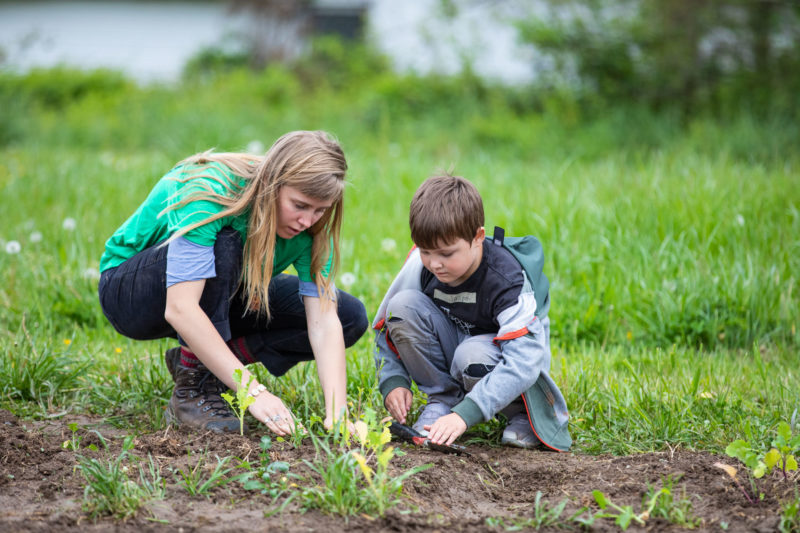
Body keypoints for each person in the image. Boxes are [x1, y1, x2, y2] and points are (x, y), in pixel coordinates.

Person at [98, 130, 368, 436]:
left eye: (320, 210)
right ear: (272, 183)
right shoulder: (213, 192)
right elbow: (180, 308)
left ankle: (208, 363)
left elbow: (323, 323)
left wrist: (338, 416)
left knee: (349, 316)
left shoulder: (313, 230)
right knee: (225, 245)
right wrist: (253, 392)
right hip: (131, 294)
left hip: (226, 288)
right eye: (300, 205)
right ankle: (194, 389)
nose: (308, 221)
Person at [372, 174, 571, 451]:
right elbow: (385, 326)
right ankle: (443, 401)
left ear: (478, 237)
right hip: (459, 347)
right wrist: (393, 381)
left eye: (447, 253)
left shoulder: (507, 278)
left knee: (471, 355)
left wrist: (468, 414)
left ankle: (522, 414)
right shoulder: (421, 265)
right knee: (401, 306)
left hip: (501, 359)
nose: (435, 264)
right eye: (427, 251)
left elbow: (525, 361)